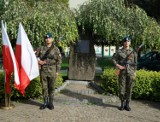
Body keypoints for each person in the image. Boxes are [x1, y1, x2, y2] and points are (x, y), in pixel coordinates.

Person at [35, 32, 62, 110]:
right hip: (43, 70)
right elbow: (35, 56)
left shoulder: (56, 49)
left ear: (52, 39)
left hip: (52, 70)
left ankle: (51, 103)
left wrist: (57, 71)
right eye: (46, 38)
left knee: (52, 87)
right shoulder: (41, 48)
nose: (48, 39)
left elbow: (59, 61)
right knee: (44, 87)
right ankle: (45, 102)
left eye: (49, 38)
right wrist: (38, 61)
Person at [112, 36, 137, 111]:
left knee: (129, 88)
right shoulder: (119, 51)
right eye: (125, 41)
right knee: (122, 88)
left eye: (128, 41)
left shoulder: (133, 52)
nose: (127, 43)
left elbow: (135, 63)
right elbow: (113, 59)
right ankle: (122, 104)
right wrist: (118, 65)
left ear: (130, 42)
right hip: (122, 72)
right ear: (123, 42)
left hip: (130, 72)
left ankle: (127, 104)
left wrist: (135, 72)